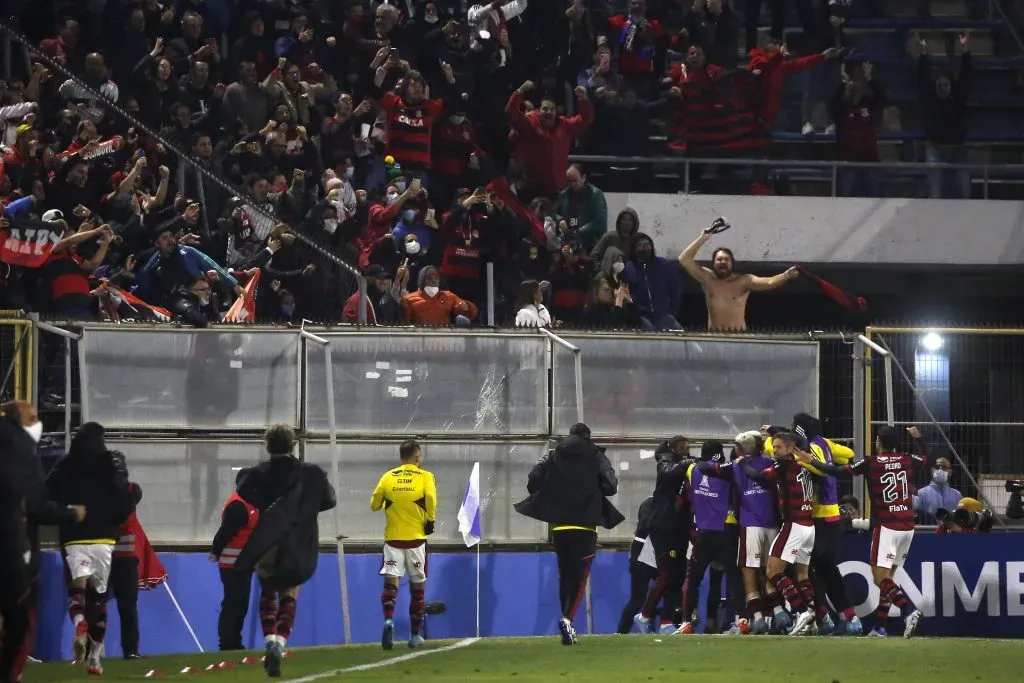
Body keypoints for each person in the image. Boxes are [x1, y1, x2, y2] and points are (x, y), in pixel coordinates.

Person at [796, 425, 926, 638]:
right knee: (889, 578)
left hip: (887, 525)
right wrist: (919, 439)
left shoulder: (870, 462)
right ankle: (880, 627)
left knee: (879, 578)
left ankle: (908, 610)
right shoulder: (907, 459)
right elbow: (925, 458)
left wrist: (811, 461)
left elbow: (838, 471)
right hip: (908, 526)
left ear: (878, 442)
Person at [230, 425, 336, 678]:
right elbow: (329, 500)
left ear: (268, 447)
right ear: (293, 445)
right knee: (290, 592)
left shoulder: (258, 474)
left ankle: (268, 641)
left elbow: (243, 490)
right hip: (299, 540)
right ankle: (280, 641)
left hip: (269, 537)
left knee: (268, 590)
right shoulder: (309, 473)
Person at [514, 423, 624, 645]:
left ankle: (567, 621)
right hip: (585, 526)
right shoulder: (596, 456)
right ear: (588, 437)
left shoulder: (553, 454)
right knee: (580, 577)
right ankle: (567, 619)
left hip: (560, 526)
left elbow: (532, 482)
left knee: (565, 576)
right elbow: (611, 486)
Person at [0, 401, 84, 683]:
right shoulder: (21, 454)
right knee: (19, 620)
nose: (38, 423)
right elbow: (35, 504)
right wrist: (70, 513)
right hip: (15, 550)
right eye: (32, 418)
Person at [46, 422, 135, 675]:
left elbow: (46, 495)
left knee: (77, 590)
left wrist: (65, 515)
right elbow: (124, 501)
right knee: (99, 598)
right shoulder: (110, 465)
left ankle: (79, 621)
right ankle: (95, 660)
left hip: (74, 539)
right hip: (103, 540)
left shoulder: (63, 466)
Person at [699, 430, 785, 634]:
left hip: (750, 523)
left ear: (738, 449)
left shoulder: (736, 466)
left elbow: (705, 468)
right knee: (769, 571)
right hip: (773, 523)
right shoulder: (772, 462)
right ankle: (779, 611)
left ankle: (757, 618)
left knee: (749, 573)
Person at [740, 431, 821, 636]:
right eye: (773, 447)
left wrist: (743, 464)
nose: (774, 451)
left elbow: (757, 476)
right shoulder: (804, 465)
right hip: (809, 526)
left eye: (777, 447)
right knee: (802, 576)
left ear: (789, 448)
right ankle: (814, 617)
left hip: (793, 524)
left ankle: (801, 611)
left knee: (773, 572)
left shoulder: (783, 465)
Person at [370, 440, 438, 651]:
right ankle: (415, 635)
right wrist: (430, 519)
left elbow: (374, 505)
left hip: (393, 539)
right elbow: (431, 498)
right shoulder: (425, 476)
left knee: (391, 585)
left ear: (400, 457)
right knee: (418, 589)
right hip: (416, 539)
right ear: (417, 458)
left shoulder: (388, 477)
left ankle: (388, 620)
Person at [674, 440, 744, 635]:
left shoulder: (692, 470)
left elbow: (683, 499)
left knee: (693, 579)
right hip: (727, 530)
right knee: (734, 576)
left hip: (702, 532)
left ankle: (686, 622)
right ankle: (743, 619)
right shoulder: (729, 472)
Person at [678, 221, 799, 331]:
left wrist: (786, 275)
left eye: (726, 260)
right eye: (719, 259)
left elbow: (769, 282)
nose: (723, 262)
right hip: (714, 337)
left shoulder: (744, 281)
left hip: (739, 336)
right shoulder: (707, 278)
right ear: (713, 263)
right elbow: (684, 259)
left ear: (732, 264)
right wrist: (702, 238)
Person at [633, 436, 692, 633]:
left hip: (678, 527)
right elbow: (667, 473)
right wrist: (687, 463)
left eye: (687, 448)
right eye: (682, 448)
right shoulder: (666, 461)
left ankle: (666, 622)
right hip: (663, 526)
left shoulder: (685, 466)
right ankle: (644, 615)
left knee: (676, 576)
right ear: (673, 449)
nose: (686, 452)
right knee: (666, 574)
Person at [209, 469, 262, 651]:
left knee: (241, 604)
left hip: (243, 563)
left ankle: (235, 642)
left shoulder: (250, 504)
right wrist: (215, 551)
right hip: (232, 564)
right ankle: (227, 643)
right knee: (233, 603)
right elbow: (225, 533)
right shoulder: (239, 506)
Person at [108, 451, 144, 659]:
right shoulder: (133, 490)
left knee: (95, 605)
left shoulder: (101, 492)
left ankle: (90, 652)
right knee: (128, 608)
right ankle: (130, 651)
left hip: (103, 554)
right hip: (126, 558)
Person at [617, 497, 658, 634]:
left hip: (660, 557)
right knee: (637, 599)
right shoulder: (650, 502)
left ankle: (662, 624)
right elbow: (645, 526)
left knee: (671, 592)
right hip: (641, 556)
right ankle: (621, 633)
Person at [916, 456, 961, 525]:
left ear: (950, 472)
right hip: (928, 532)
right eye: (937, 467)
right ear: (932, 470)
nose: (940, 470)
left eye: (944, 467)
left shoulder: (957, 495)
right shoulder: (921, 493)